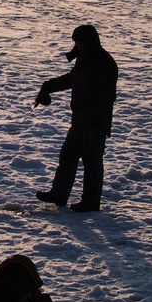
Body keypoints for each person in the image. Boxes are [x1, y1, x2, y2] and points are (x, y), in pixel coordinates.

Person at [34, 24, 118, 212]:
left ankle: (90, 202)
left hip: (94, 123)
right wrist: (48, 86)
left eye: (79, 42)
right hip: (79, 120)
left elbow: (107, 97)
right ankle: (58, 194)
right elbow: (72, 79)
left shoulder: (104, 63)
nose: (76, 45)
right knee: (68, 156)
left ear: (87, 42)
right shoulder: (83, 59)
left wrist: (98, 124)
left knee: (92, 163)